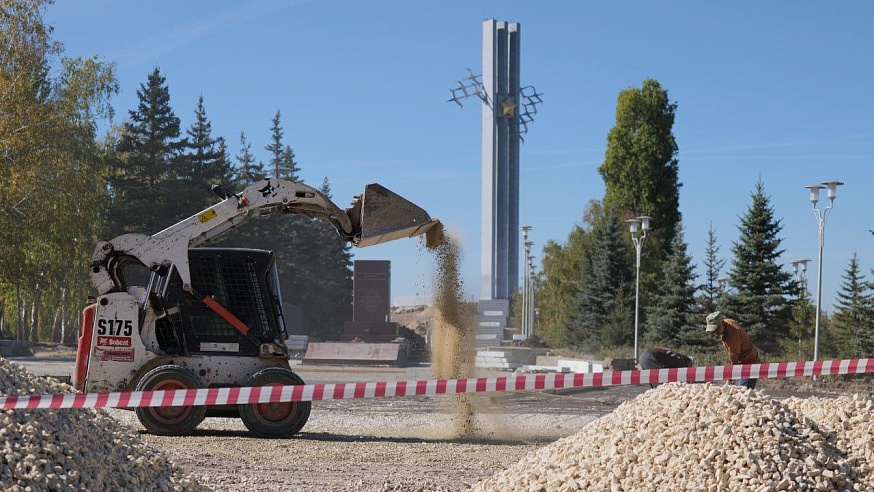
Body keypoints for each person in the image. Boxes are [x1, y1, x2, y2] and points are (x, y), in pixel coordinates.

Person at [705, 311, 761, 389]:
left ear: (721, 323)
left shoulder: (732, 338)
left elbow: (734, 361)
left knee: (743, 391)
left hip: (750, 364)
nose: (714, 332)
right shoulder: (728, 322)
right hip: (742, 362)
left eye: (716, 329)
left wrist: (730, 379)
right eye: (712, 330)